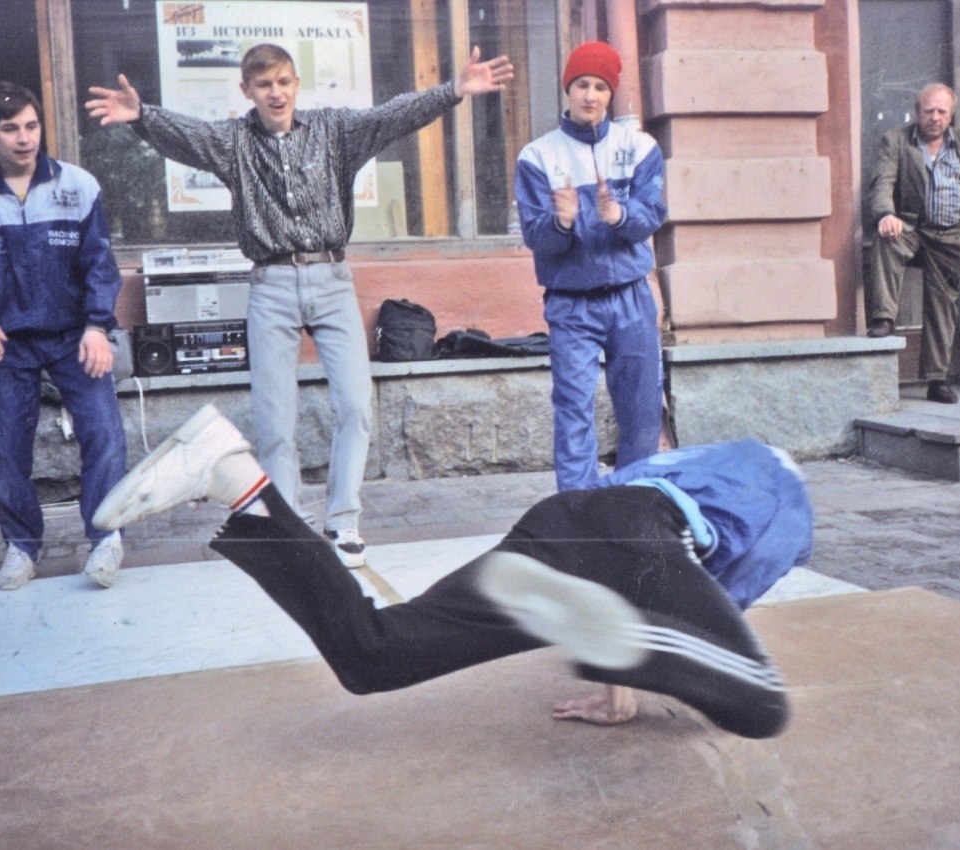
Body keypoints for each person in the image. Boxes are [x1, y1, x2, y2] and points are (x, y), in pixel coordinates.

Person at [93, 405, 812, 736]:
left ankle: (240, 483)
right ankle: (605, 630)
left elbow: (613, 522)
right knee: (760, 706)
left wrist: (621, 677)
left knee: (373, 655)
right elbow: (715, 605)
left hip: (568, 522)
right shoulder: (792, 510)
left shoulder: (700, 457)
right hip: (638, 547)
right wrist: (632, 678)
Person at [85, 44, 514, 568]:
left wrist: (453, 91)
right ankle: (289, 528)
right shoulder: (234, 142)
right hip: (270, 284)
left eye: (284, 82)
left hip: (332, 278)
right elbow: (188, 136)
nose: (276, 93)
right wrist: (143, 116)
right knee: (274, 420)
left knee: (356, 406)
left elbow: (393, 116)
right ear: (247, 91)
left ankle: (343, 521)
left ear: (296, 84)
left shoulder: (334, 131)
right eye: (264, 85)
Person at [0, 81, 129, 590]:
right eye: (10, 129)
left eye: (31, 126)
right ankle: (21, 547)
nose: (24, 138)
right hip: (4, 340)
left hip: (74, 336)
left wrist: (98, 326)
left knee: (102, 430)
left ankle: (105, 539)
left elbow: (100, 264)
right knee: (2, 445)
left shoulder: (78, 185)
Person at [514, 41, 666, 491]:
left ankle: (635, 505)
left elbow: (652, 213)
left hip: (631, 297)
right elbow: (534, 235)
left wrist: (617, 215)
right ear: (568, 88)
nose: (590, 96)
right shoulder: (537, 155)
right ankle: (578, 515)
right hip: (571, 303)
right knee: (574, 410)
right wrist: (561, 221)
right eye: (582, 84)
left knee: (641, 409)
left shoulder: (639, 147)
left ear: (610, 93)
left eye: (601, 87)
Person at [866, 83, 960, 404]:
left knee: (943, 305)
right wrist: (885, 214)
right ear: (917, 111)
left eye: (941, 112)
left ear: (951, 115)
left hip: (951, 235)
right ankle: (884, 318)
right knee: (886, 240)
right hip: (911, 225)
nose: (934, 118)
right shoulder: (896, 141)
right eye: (928, 111)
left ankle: (937, 380)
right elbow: (882, 182)